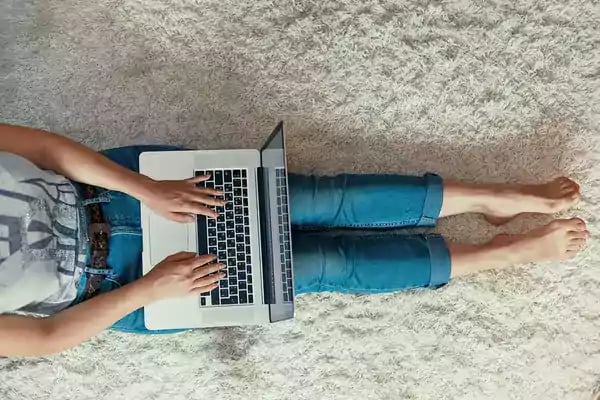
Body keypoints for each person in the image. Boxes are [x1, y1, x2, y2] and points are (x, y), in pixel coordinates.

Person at [0, 123, 589, 357]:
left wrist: (145, 187)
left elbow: (46, 152)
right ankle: (503, 253)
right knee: (318, 266)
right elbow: (46, 336)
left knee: (316, 198)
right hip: (122, 288)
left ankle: (494, 199)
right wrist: (152, 287)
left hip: (115, 190)